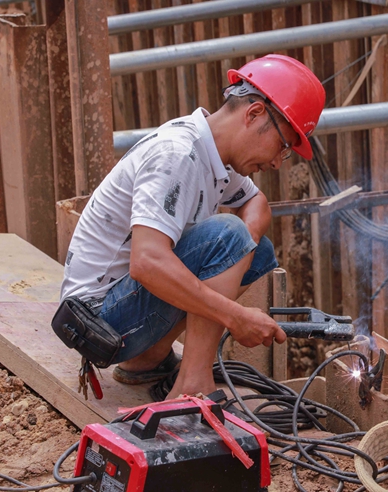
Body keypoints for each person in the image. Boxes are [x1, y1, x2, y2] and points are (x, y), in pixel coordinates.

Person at [58, 54, 326, 402]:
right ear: (254, 114)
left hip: (120, 311)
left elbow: (256, 203)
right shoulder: (177, 154)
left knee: (254, 250)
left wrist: (239, 254)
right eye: (282, 146)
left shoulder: (213, 154)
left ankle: (148, 359)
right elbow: (146, 262)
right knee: (229, 237)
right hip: (96, 323)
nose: (277, 162)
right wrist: (235, 316)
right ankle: (191, 385)